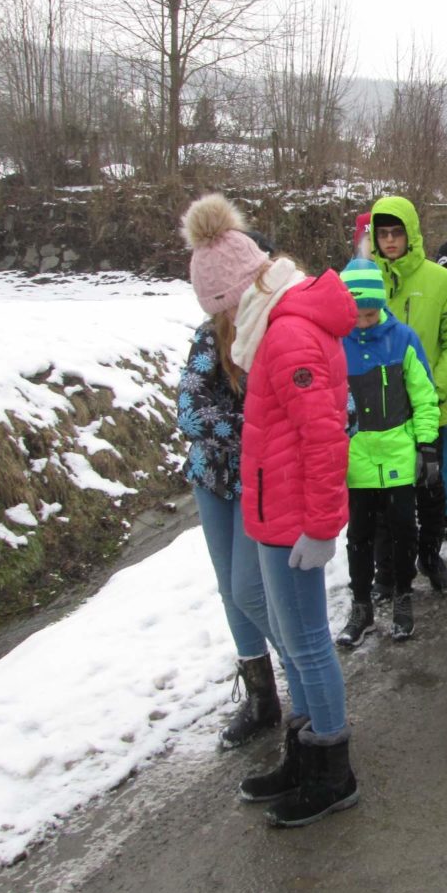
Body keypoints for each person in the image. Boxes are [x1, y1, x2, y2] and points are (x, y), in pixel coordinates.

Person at [179, 193, 359, 829]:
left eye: (222, 308)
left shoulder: (286, 335)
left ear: (238, 292)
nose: (224, 324)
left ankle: (331, 771)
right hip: (274, 508)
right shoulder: (273, 326)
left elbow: (325, 436)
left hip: (292, 516)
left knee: (308, 644)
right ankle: (304, 754)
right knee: (292, 637)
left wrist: (322, 527)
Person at [178, 203, 287, 750]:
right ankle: (262, 697)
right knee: (230, 589)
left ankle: (304, 671)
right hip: (212, 479)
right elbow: (190, 411)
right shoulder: (208, 338)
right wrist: (256, 426)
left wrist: (249, 430)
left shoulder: (281, 331)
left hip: (259, 482)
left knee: (249, 588)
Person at [369, 196, 447, 595]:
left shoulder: (442, 281)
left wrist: (432, 392)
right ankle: (385, 570)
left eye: (397, 232)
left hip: (427, 410)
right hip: (377, 413)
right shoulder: (363, 280)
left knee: (430, 493)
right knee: (381, 495)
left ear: (411, 234)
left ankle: (430, 557)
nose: (390, 240)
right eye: (383, 233)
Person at [336, 259, 439, 646]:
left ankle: (403, 595)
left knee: (403, 529)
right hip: (356, 456)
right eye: (356, 315)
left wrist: (426, 445)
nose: (363, 322)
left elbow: (424, 396)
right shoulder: (335, 343)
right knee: (359, 536)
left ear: (380, 305)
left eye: (370, 313)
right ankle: (361, 606)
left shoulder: (403, 339)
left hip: (398, 450)